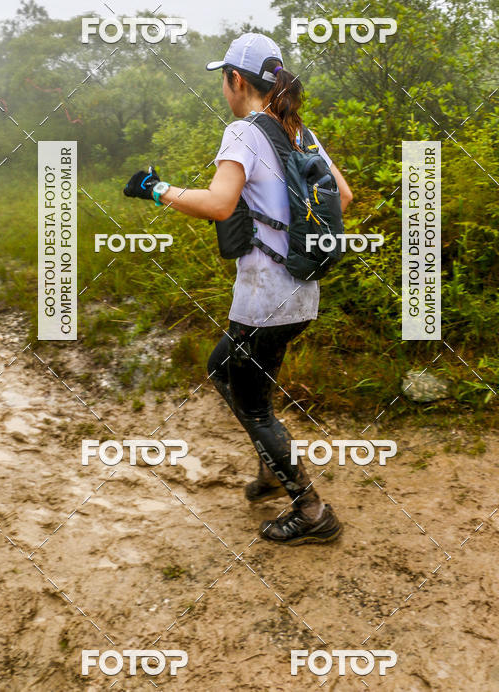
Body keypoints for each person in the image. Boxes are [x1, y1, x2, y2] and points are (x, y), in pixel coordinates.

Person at [124, 32, 353, 545]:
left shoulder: (244, 132)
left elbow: (219, 203)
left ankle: (312, 511)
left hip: (264, 298)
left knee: (253, 405)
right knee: (223, 368)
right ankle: (272, 468)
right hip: (301, 290)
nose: (223, 90)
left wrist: (155, 189)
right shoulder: (299, 131)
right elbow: (342, 195)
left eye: (223, 80)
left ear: (235, 79)